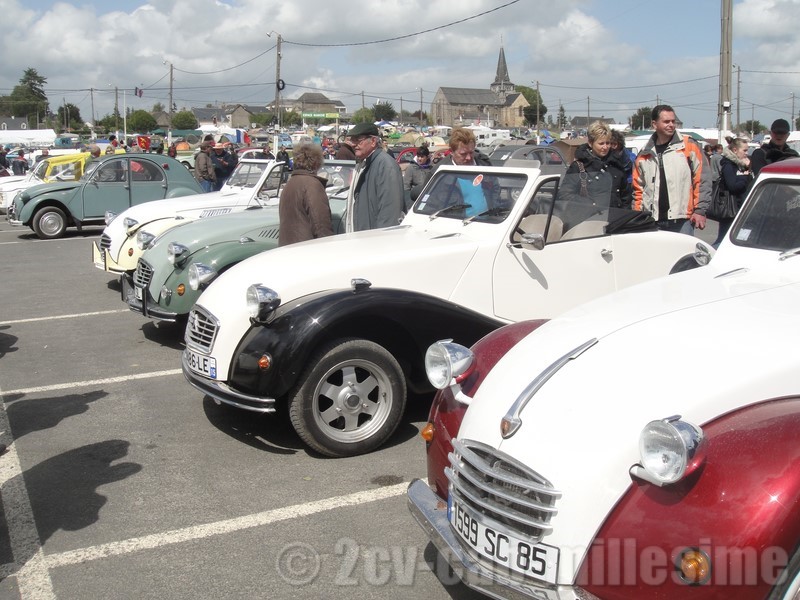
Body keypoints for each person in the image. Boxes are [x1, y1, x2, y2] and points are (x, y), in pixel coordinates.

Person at [633, 104, 710, 235]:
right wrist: (638, 217)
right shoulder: (644, 154)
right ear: (654, 124)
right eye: (666, 121)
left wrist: (700, 210)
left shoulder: (689, 146)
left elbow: (703, 179)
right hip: (652, 221)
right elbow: (638, 189)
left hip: (682, 220)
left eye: (673, 121)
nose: (671, 125)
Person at [344, 122, 405, 232]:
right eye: (352, 140)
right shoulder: (363, 164)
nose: (353, 144)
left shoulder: (385, 165)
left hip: (376, 239)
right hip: (362, 237)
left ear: (373, 141)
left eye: (358, 140)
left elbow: (390, 213)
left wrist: (380, 239)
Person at [561, 121, 632, 213]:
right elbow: (565, 195)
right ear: (591, 143)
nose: (605, 147)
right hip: (588, 218)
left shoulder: (616, 164)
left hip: (615, 218)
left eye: (608, 143)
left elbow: (626, 197)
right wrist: (590, 204)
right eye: (601, 143)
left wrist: (625, 215)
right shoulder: (578, 167)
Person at [410, 127, 491, 203]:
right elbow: (431, 204)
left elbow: (494, 191)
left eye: (471, 152)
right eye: (463, 154)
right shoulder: (439, 174)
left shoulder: (484, 164)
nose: (469, 158)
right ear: (451, 152)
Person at [278, 144, 333, 246]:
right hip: (306, 248)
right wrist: (328, 246)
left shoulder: (290, 183)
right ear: (316, 162)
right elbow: (321, 224)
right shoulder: (312, 185)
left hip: (287, 246)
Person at [713, 137, 752, 248]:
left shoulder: (739, 165)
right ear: (735, 150)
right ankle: (710, 255)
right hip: (730, 208)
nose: (746, 153)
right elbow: (732, 186)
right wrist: (744, 175)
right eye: (744, 150)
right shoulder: (728, 165)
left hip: (739, 206)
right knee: (723, 240)